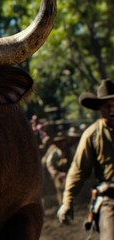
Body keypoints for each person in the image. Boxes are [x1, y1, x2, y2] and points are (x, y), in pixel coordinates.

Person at [58, 79, 114, 239]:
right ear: (99, 109)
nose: (111, 110)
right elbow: (78, 170)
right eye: (106, 106)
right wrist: (67, 202)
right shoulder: (92, 134)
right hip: (110, 199)